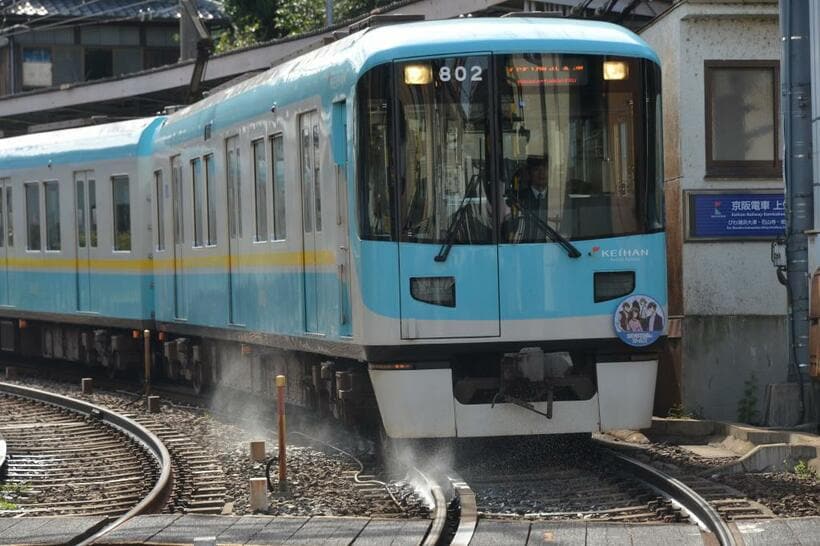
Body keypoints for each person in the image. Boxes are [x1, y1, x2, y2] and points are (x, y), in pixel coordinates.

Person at [513, 156, 550, 242]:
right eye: (537, 169)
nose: (541, 173)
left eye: (545, 168)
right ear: (529, 173)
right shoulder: (518, 199)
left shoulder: (558, 198)